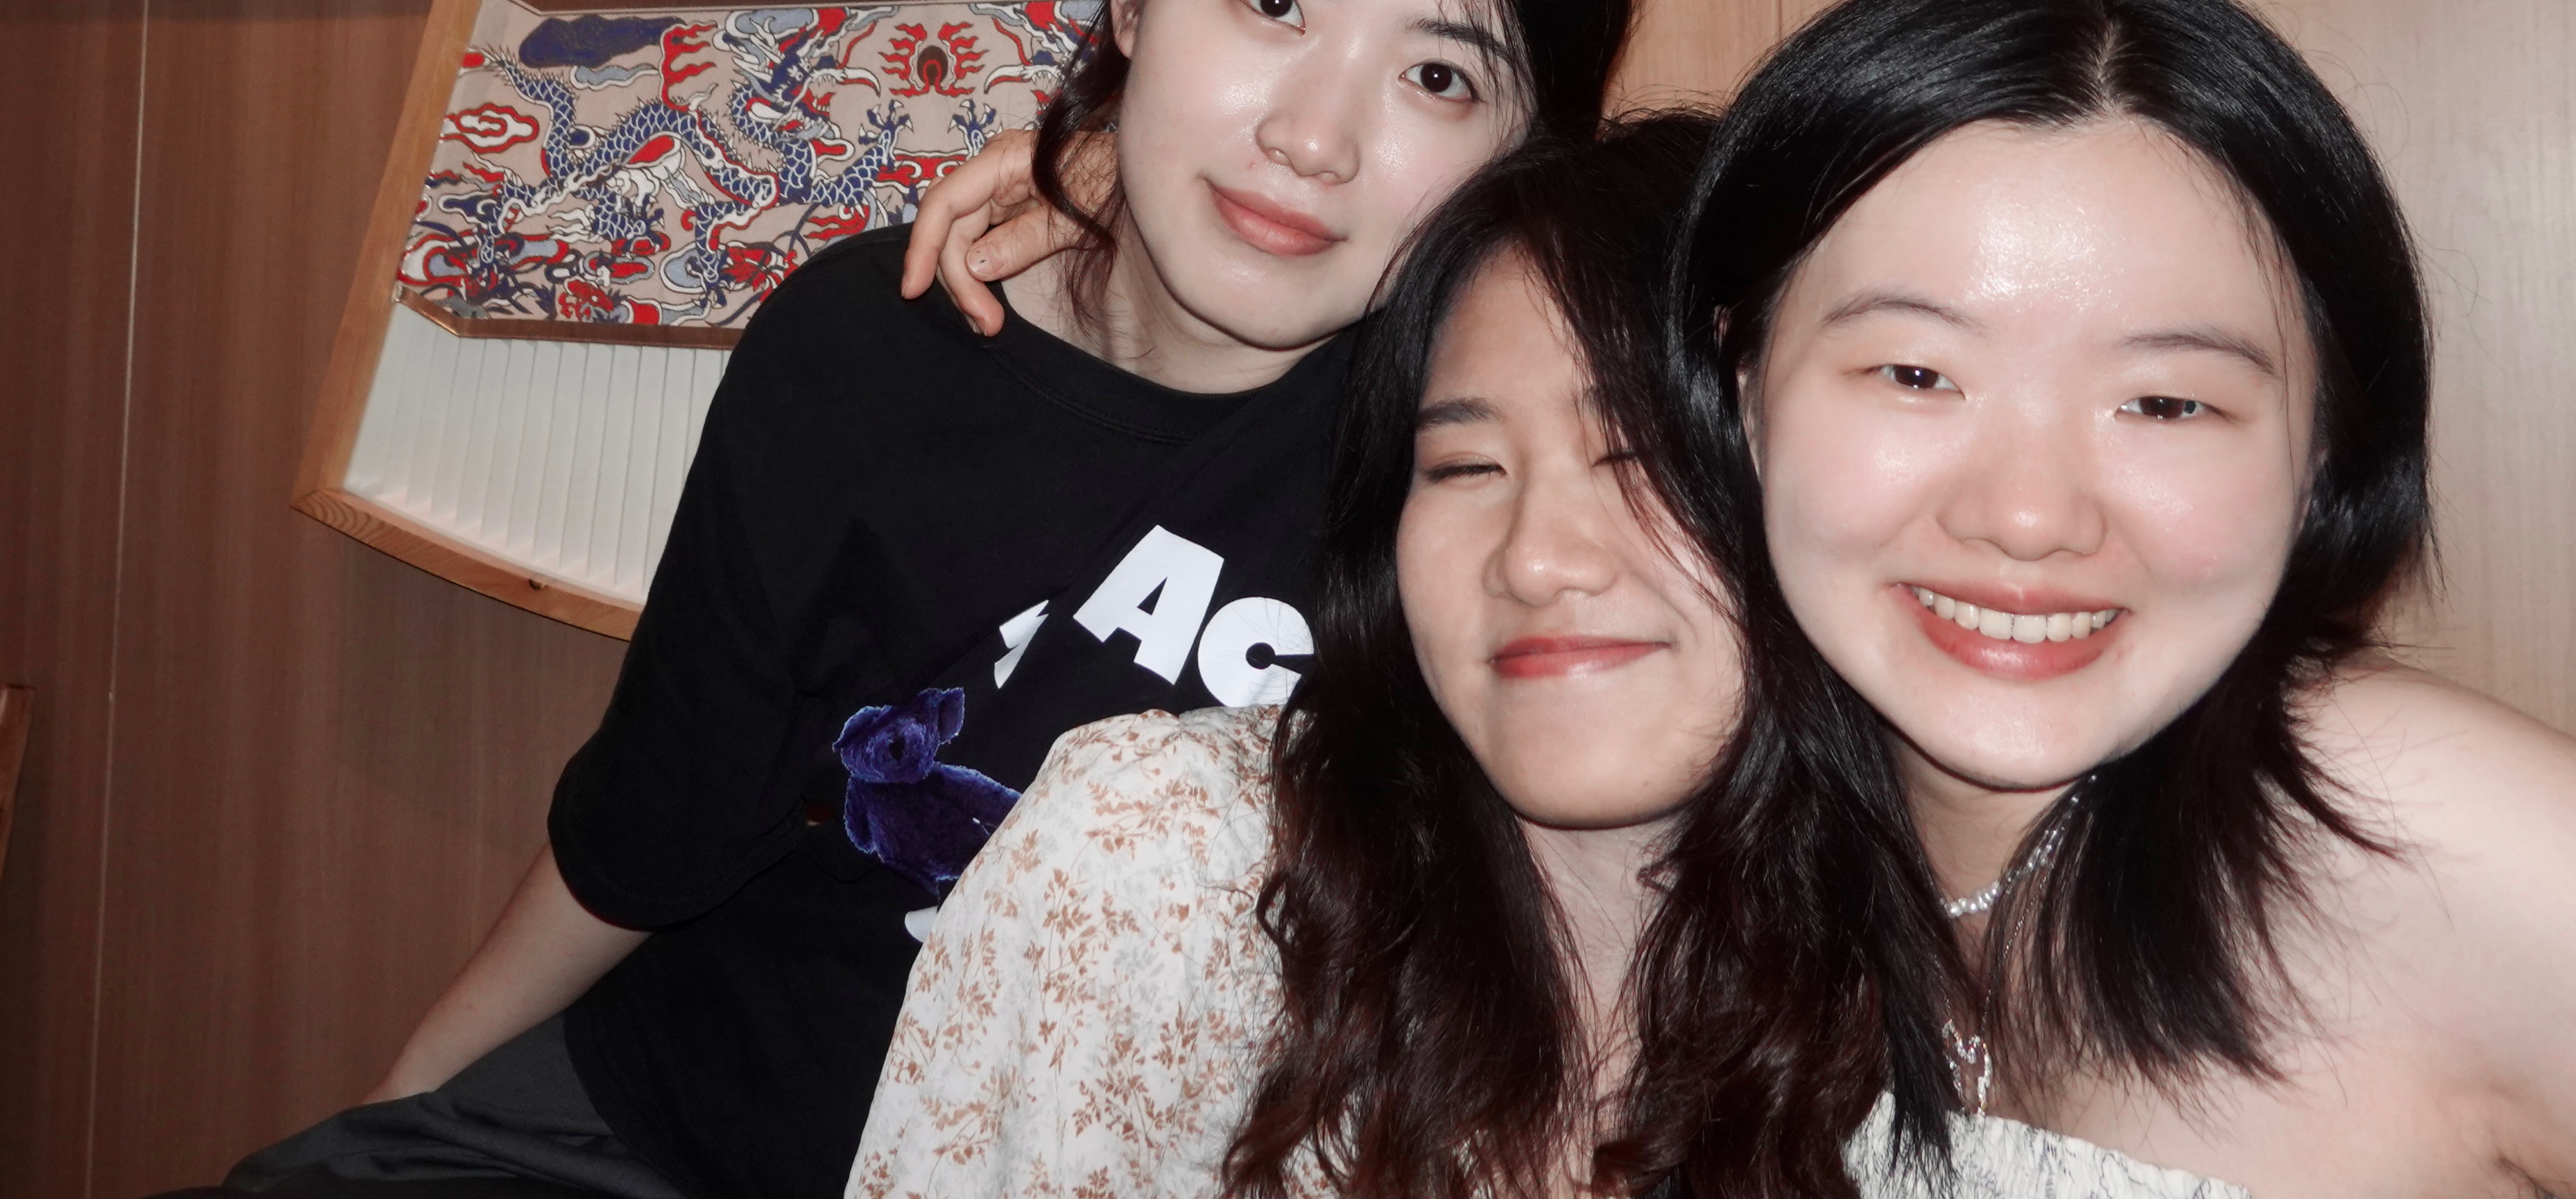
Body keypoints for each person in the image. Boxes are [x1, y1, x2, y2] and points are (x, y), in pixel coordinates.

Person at [217, 0, 1643, 1199]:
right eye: (1271, 2)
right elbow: (657, 822)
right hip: (661, 1129)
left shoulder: (1485, 472)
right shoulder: (871, 349)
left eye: (1439, 78)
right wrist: (405, 1099)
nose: (1314, 136)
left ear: (1527, 156)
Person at [1662, 0, 2576, 1198]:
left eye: (2166, 403)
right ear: (1745, 387)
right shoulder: (1762, 857)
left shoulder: (2411, 834)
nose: (2027, 516)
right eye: (1915, 374)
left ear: (2320, 450)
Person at [845, 116, 1974, 1199]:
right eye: (1465, 468)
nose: (1535, 559)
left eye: (1637, 455)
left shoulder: (1977, 989)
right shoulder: (1166, 864)